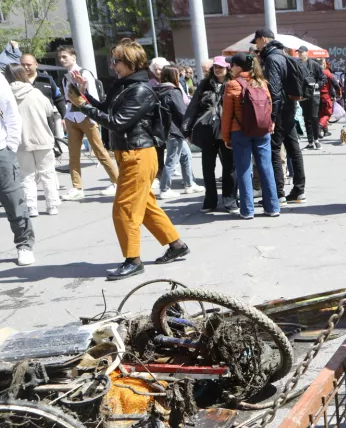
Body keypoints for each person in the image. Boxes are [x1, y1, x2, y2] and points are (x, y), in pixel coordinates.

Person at [68, 38, 189, 280]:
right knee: (145, 206)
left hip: (138, 154)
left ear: (132, 62)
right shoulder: (127, 85)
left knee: (124, 209)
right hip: (131, 154)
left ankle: (133, 260)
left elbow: (117, 121)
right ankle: (176, 245)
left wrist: (82, 106)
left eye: (117, 61)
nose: (113, 65)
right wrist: (85, 97)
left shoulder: (140, 89)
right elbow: (107, 109)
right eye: (113, 61)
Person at [222, 52, 280, 220]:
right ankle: (273, 207)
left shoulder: (232, 85)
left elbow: (227, 115)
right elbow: (268, 108)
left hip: (239, 131)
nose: (230, 68)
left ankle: (248, 210)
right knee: (266, 167)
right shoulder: (261, 82)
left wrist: (226, 137)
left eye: (232, 65)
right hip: (262, 131)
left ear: (239, 67)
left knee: (244, 169)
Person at [57, 45, 119, 200]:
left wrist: (93, 118)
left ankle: (117, 182)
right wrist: (66, 116)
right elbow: (67, 98)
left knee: (100, 151)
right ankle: (77, 187)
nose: (61, 60)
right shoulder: (65, 78)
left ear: (73, 56)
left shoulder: (85, 74)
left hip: (87, 117)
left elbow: (93, 97)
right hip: (72, 117)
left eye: (65, 56)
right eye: (60, 57)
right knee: (73, 154)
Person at [254, 28, 306, 203]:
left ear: (262, 39)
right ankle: (299, 190)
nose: (257, 46)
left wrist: (273, 118)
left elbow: (274, 91)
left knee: (275, 149)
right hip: (290, 106)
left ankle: (278, 193)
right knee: (293, 147)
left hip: (280, 109)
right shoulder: (283, 55)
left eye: (257, 42)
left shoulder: (271, 58)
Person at [6, 65, 61, 217]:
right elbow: (50, 110)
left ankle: (31, 207)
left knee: (26, 175)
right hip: (42, 138)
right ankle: (52, 205)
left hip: (20, 141)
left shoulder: (6, 95)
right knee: (47, 173)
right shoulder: (35, 92)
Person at [186, 56, 237, 213]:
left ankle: (230, 201)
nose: (218, 69)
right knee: (208, 167)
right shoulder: (204, 84)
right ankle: (210, 201)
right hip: (208, 129)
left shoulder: (233, 84)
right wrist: (187, 128)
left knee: (229, 167)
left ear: (227, 68)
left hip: (227, 129)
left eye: (221, 66)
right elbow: (193, 107)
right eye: (215, 66)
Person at [0, 70, 37, 266]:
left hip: (1, 151)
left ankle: (24, 244)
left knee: (13, 200)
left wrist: (10, 147)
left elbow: (11, 113)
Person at [153, 66, 202, 198]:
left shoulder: (157, 90)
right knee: (172, 160)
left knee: (186, 156)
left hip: (166, 129)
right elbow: (182, 112)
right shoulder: (173, 91)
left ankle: (189, 184)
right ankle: (164, 189)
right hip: (175, 130)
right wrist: (190, 126)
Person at [20, 53, 66, 118]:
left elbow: (58, 99)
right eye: (22, 65)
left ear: (36, 65)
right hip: (26, 119)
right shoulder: (17, 82)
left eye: (28, 65)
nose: (25, 67)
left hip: (47, 118)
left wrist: (64, 117)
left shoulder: (47, 79)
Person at [298, 46, 325, 150]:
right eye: (298, 52)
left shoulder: (314, 64)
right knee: (306, 118)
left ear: (306, 53)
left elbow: (323, 78)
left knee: (314, 117)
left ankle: (316, 140)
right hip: (304, 95)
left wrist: (317, 85)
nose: (299, 54)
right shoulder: (297, 64)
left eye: (301, 52)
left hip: (314, 94)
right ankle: (310, 142)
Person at [318, 60, 340, 135]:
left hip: (316, 96)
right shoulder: (326, 72)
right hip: (326, 96)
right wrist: (339, 92)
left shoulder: (313, 72)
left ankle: (325, 131)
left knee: (321, 113)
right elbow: (335, 83)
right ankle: (320, 126)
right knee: (328, 113)